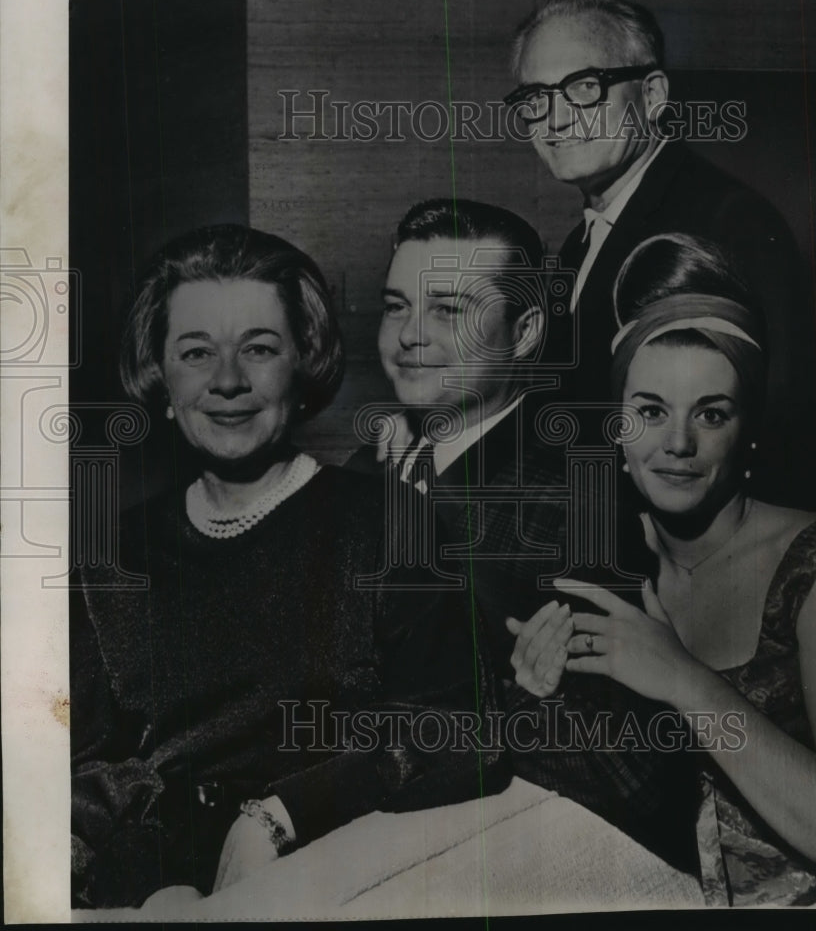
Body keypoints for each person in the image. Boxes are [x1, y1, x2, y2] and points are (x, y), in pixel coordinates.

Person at [70, 224, 506, 910]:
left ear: (302, 363)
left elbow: (460, 731)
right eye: (195, 352)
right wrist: (160, 887)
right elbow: (85, 773)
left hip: (345, 883)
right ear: (159, 375)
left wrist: (278, 818)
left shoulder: (388, 524)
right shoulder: (110, 556)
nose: (228, 381)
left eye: (259, 349)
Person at [522, 232, 816, 904]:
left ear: (749, 431)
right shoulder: (600, 563)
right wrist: (538, 702)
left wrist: (686, 682)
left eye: (711, 414)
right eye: (650, 410)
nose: (677, 443)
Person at [348, 198, 700, 873]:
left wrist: (511, 710)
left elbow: (630, 770)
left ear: (526, 330)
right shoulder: (366, 471)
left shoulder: (576, 498)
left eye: (449, 310)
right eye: (396, 306)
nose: (410, 335)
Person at [504, 0, 816, 518]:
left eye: (583, 87)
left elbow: (795, 425)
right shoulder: (584, 240)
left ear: (653, 95)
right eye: (535, 97)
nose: (554, 120)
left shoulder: (727, 221)